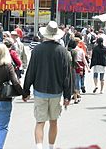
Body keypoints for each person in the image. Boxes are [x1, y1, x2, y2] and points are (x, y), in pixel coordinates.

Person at [23, 21, 72, 149]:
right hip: (56, 92)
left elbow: (30, 71)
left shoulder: (37, 50)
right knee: (54, 121)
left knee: (40, 122)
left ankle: (39, 147)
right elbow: (67, 76)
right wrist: (68, 96)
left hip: (39, 91)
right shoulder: (62, 51)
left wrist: (26, 91)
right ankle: (51, 147)